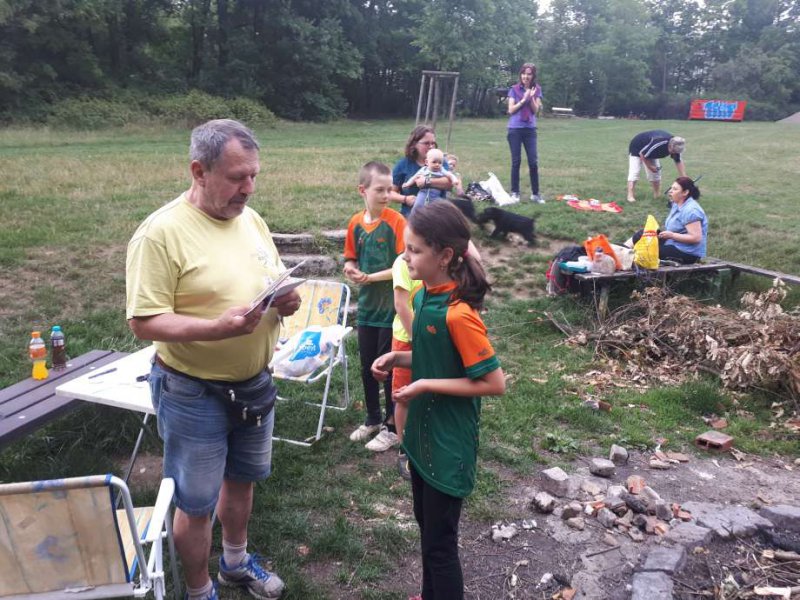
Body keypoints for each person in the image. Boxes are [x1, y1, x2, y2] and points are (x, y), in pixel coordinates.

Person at [126, 119, 302, 600]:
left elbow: (273, 275)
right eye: (236, 177)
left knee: (242, 481)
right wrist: (216, 328)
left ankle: (235, 563)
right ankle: (201, 591)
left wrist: (284, 299)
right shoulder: (160, 234)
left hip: (253, 384)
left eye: (253, 176)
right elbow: (144, 321)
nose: (247, 188)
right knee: (196, 502)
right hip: (191, 388)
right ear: (199, 171)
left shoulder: (252, 218)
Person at [372, 201, 506, 600]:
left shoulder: (458, 314)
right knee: (425, 528)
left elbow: (493, 383)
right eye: (406, 248)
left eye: (414, 250)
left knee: (440, 545)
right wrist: (399, 357)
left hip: (449, 444)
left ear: (445, 256)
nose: (405, 256)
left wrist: (425, 385)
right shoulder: (423, 299)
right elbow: (436, 359)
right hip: (422, 436)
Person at [343, 161, 406, 451]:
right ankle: (372, 418)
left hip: (392, 310)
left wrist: (370, 277)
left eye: (389, 189)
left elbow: (403, 266)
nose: (385, 195)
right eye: (379, 189)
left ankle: (393, 426)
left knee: (389, 369)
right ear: (362, 190)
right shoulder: (355, 223)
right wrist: (351, 270)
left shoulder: (397, 222)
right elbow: (350, 258)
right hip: (367, 308)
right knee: (368, 365)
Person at [389, 253, 422, 480]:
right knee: (403, 395)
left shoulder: (436, 259)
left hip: (432, 336)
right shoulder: (403, 262)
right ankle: (404, 448)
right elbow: (401, 304)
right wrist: (416, 338)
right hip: (406, 338)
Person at [629, 176, 708, 264]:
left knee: (646, 250)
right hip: (673, 243)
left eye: (675, 189)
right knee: (643, 234)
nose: (670, 191)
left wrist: (672, 235)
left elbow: (696, 238)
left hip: (687, 253)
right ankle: (621, 251)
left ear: (685, 192)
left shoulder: (692, 211)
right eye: (671, 188)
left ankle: (624, 259)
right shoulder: (677, 203)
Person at [392, 125, 454, 217]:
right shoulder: (402, 164)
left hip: (438, 215)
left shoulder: (440, 161)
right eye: (426, 143)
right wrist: (405, 199)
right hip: (411, 216)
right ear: (414, 144)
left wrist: (427, 182)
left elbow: (449, 183)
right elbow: (391, 193)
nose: (431, 147)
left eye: (433, 143)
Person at [507, 62, 544, 204]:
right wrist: (524, 99)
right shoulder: (514, 89)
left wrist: (532, 98)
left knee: (533, 162)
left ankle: (535, 194)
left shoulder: (537, 89)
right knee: (516, 162)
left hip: (530, 130)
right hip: (515, 130)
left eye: (529, 74)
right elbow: (511, 110)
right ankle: (515, 193)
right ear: (520, 74)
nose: (526, 76)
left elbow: (535, 111)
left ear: (533, 75)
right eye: (524, 73)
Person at [627, 130, 687, 202]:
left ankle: (657, 194)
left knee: (655, 174)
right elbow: (642, 154)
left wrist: (684, 177)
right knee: (635, 172)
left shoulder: (677, 145)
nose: (674, 153)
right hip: (637, 147)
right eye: (673, 151)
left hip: (651, 151)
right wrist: (650, 166)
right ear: (670, 146)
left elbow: (678, 161)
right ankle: (630, 195)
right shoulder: (659, 144)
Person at [402, 147, 458, 213]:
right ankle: (413, 220)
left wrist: (454, 180)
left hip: (436, 195)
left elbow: (449, 175)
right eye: (434, 162)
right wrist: (408, 183)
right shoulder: (424, 169)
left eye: (440, 163)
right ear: (427, 162)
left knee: (434, 211)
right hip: (423, 193)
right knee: (417, 207)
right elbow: (414, 177)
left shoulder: (441, 170)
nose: (437, 164)